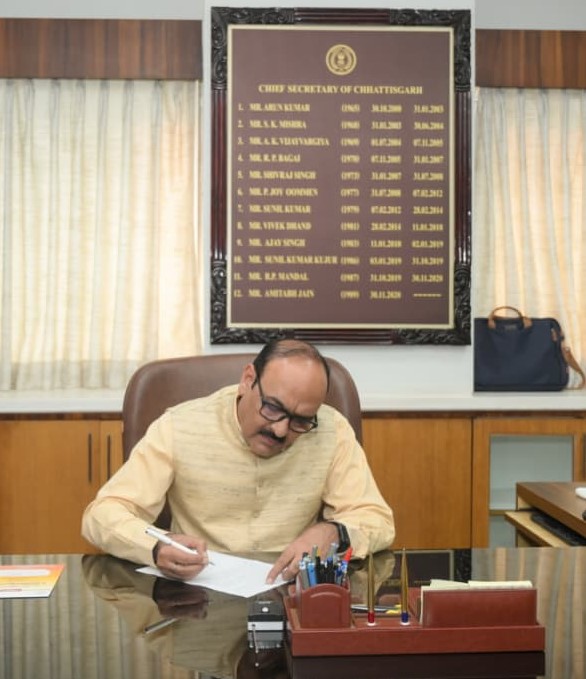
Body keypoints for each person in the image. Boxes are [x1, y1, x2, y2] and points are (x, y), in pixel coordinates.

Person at [82, 339, 395, 584]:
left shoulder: (332, 430)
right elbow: (102, 515)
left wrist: (335, 532)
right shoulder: (179, 426)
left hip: (294, 596)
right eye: (273, 408)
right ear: (248, 380)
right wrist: (155, 547)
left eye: (300, 421)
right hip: (197, 599)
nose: (280, 430)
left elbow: (377, 521)